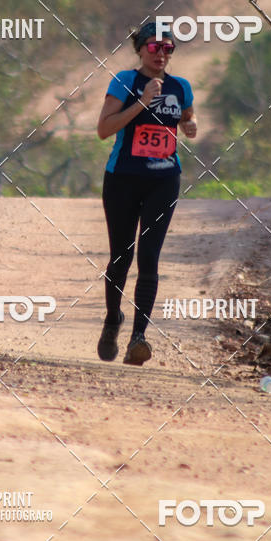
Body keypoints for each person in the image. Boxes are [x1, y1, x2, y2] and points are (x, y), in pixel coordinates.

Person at [96, 21, 197, 366]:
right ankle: (113, 319)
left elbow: (185, 117)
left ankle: (139, 338)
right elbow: (104, 130)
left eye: (168, 48)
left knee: (149, 257)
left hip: (164, 179)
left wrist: (189, 125)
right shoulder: (125, 82)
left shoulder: (181, 87)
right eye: (154, 47)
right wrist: (142, 102)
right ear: (140, 49)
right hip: (123, 177)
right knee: (121, 257)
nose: (161, 54)